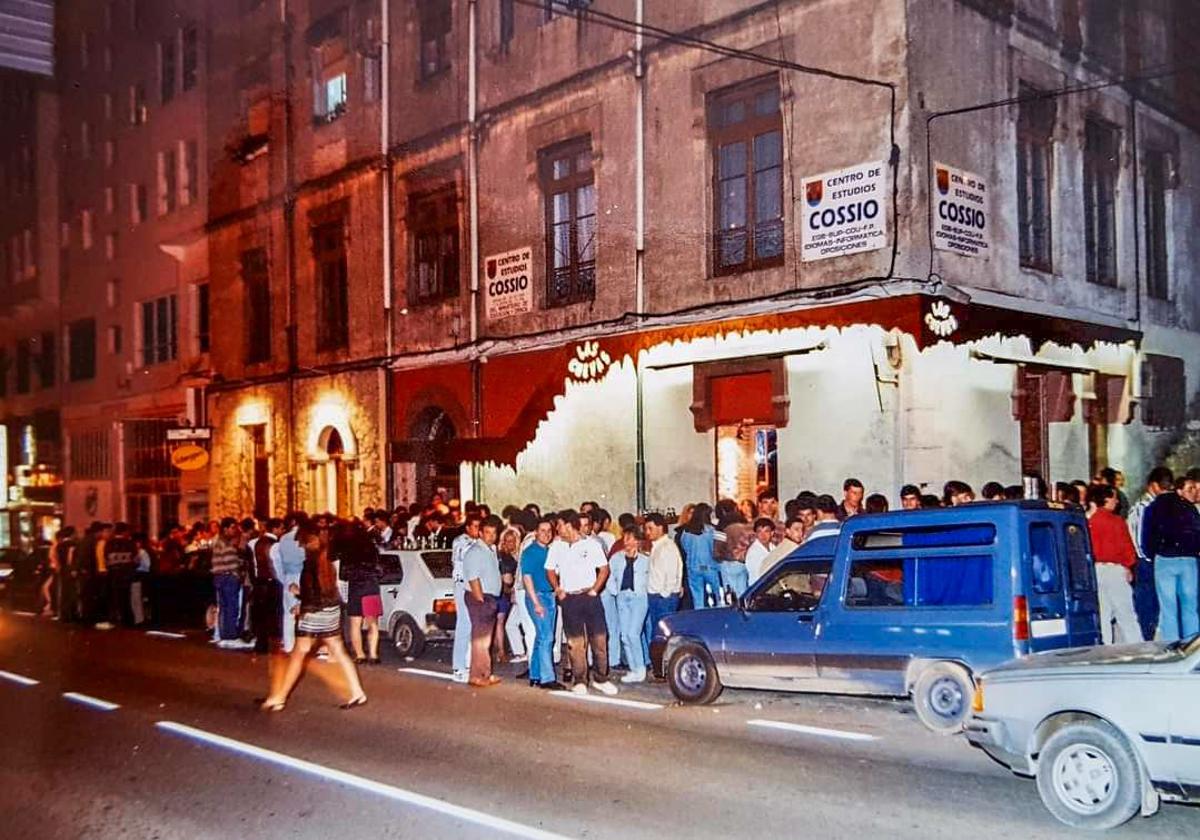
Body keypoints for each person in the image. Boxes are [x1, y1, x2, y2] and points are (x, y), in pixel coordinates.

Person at [259, 526, 366, 712]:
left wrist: (298, 598)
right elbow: (327, 591)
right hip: (332, 610)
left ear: (309, 544)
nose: (301, 546)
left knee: (298, 654)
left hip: (315, 614)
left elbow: (312, 595)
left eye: (303, 543)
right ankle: (357, 692)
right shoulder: (327, 562)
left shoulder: (310, 565)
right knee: (339, 651)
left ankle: (280, 697)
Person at [545, 510, 617, 695]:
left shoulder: (591, 545)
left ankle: (601, 678)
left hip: (590, 597)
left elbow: (604, 569)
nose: (557, 529)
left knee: (599, 639)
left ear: (569, 525)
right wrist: (558, 589)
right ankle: (580, 680)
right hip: (569, 599)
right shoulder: (557, 547)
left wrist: (594, 589)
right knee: (575, 643)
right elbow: (550, 570)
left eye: (559, 525)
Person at [1141, 469, 1200, 642]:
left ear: (1157, 487)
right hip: (1188, 561)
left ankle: (1171, 645)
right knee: (1190, 606)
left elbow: (1146, 537)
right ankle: (1193, 643)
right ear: (1174, 487)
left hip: (1164, 560)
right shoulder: (1188, 507)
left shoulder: (1153, 507)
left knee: (1168, 608)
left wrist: (1154, 554)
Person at [1085, 485, 1140, 645]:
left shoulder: (1090, 521)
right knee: (1126, 613)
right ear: (1106, 499)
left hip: (1096, 571)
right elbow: (1127, 547)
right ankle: (1136, 647)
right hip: (1116, 571)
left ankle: (1105, 649)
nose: (1117, 501)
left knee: (1103, 614)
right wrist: (1129, 565)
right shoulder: (1117, 522)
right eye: (1114, 497)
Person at [1128, 466, 1171, 640]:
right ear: (1153, 486)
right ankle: (1147, 640)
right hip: (1145, 562)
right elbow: (1138, 539)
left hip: (1156, 560)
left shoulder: (1160, 506)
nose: (1165, 491)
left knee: (1158, 604)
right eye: (1163, 487)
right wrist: (1148, 558)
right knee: (1147, 606)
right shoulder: (1141, 508)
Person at [462, 516, 503, 687]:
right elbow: (473, 578)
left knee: (485, 639)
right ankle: (476, 675)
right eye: (487, 532)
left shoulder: (490, 549)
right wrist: (481, 599)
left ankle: (485, 673)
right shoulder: (475, 551)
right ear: (480, 533)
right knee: (480, 639)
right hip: (481, 598)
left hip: (489, 597)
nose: (491, 536)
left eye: (494, 533)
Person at [522, 517, 562, 689]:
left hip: (549, 596)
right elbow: (527, 578)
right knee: (547, 637)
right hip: (538, 596)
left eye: (549, 531)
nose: (546, 534)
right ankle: (547, 678)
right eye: (542, 531)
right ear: (536, 533)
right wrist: (536, 603)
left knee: (542, 636)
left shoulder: (550, 551)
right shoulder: (530, 551)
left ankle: (535, 674)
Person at [336, 522, 383, 665]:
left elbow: (343, 575)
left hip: (356, 588)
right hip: (371, 587)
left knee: (355, 624)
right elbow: (379, 569)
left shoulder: (347, 551)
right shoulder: (372, 548)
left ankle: (360, 655)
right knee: (373, 623)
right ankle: (374, 654)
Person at [608, 525, 650, 683]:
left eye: (631, 538)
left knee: (633, 633)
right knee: (624, 635)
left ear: (638, 541)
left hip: (639, 597)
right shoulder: (616, 558)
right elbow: (609, 577)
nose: (627, 542)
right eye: (625, 538)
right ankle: (633, 669)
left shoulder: (646, 559)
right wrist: (615, 591)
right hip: (622, 597)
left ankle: (640, 668)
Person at [210, 518, 251, 648]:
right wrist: (237, 572)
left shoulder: (220, 542)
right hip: (228, 577)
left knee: (225, 607)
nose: (234, 531)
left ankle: (225, 635)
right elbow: (231, 561)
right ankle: (230, 635)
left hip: (221, 577)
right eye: (232, 528)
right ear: (225, 528)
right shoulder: (224, 543)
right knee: (231, 607)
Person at [450, 513, 481, 683]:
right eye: (475, 527)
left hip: (475, 586)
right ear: (468, 528)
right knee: (464, 624)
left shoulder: (479, 543)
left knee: (474, 625)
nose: (478, 530)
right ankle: (458, 666)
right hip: (463, 585)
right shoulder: (461, 542)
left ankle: (469, 663)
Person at [271, 513, 307, 653]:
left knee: (288, 613)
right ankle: (304, 644)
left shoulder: (283, 539)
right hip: (302, 575)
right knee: (304, 611)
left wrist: (283, 578)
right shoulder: (304, 538)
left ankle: (288, 645)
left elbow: (277, 562)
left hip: (288, 576)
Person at [251, 518, 284, 654]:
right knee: (272, 614)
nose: (282, 531)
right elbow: (275, 564)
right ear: (275, 529)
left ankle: (261, 643)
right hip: (271, 581)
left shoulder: (257, 542)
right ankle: (270, 644)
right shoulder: (273, 544)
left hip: (260, 580)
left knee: (261, 614)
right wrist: (280, 580)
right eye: (281, 528)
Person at [679, 503, 721, 609]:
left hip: (693, 567)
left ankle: (699, 617)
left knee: (697, 597)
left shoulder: (686, 531)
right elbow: (716, 548)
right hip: (709, 566)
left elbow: (685, 547)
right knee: (718, 595)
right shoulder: (711, 530)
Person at [715, 500, 751, 602]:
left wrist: (719, 558)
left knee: (730, 594)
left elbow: (717, 548)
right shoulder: (745, 523)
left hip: (728, 563)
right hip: (743, 561)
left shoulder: (722, 525)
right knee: (743, 591)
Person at [103, 522, 137, 628]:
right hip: (127, 573)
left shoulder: (109, 543)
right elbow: (136, 559)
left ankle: (116, 618)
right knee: (126, 596)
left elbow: (106, 559)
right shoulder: (130, 543)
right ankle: (127, 620)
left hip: (113, 573)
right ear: (125, 532)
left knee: (115, 596)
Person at [754, 516, 806, 583]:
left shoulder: (784, 546)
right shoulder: (792, 549)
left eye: (802, 530)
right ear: (788, 531)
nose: (800, 533)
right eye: (796, 529)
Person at [744, 517, 775, 584]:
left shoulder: (773, 547)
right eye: (759, 531)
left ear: (772, 533)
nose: (763, 535)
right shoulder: (754, 552)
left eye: (766, 531)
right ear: (755, 534)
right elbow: (757, 575)